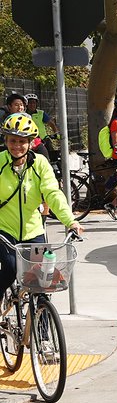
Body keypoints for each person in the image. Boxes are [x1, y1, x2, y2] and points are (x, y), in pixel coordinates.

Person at [0, 113, 83, 294]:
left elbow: (53, 194)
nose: (17, 146)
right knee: (12, 268)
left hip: (34, 231)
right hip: (4, 231)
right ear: (5, 141)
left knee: (42, 278)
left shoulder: (40, 164)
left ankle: (41, 312)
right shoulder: (0, 163)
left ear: (31, 143)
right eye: (12, 141)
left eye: (22, 141)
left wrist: (70, 221)